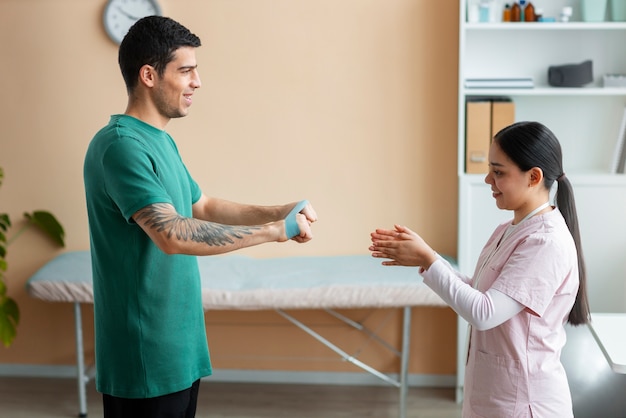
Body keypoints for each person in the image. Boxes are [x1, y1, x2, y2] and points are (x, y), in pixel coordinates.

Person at [83, 16, 317, 418]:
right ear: (149, 75)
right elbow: (171, 233)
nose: (197, 82)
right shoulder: (120, 146)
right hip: (145, 355)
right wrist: (276, 231)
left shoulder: (160, 141)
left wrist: (283, 208)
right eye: (186, 70)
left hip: (179, 346)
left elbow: (202, 206)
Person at [369, 121, 589, 418]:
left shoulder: (545, 242)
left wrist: (430, 259)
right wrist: (426, 260)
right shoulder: (509, 229)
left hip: (524, 404)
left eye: (498, 172)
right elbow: (481, 293)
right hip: (493, 396)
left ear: (533, 177)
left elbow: (484, 313)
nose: (488, 179)